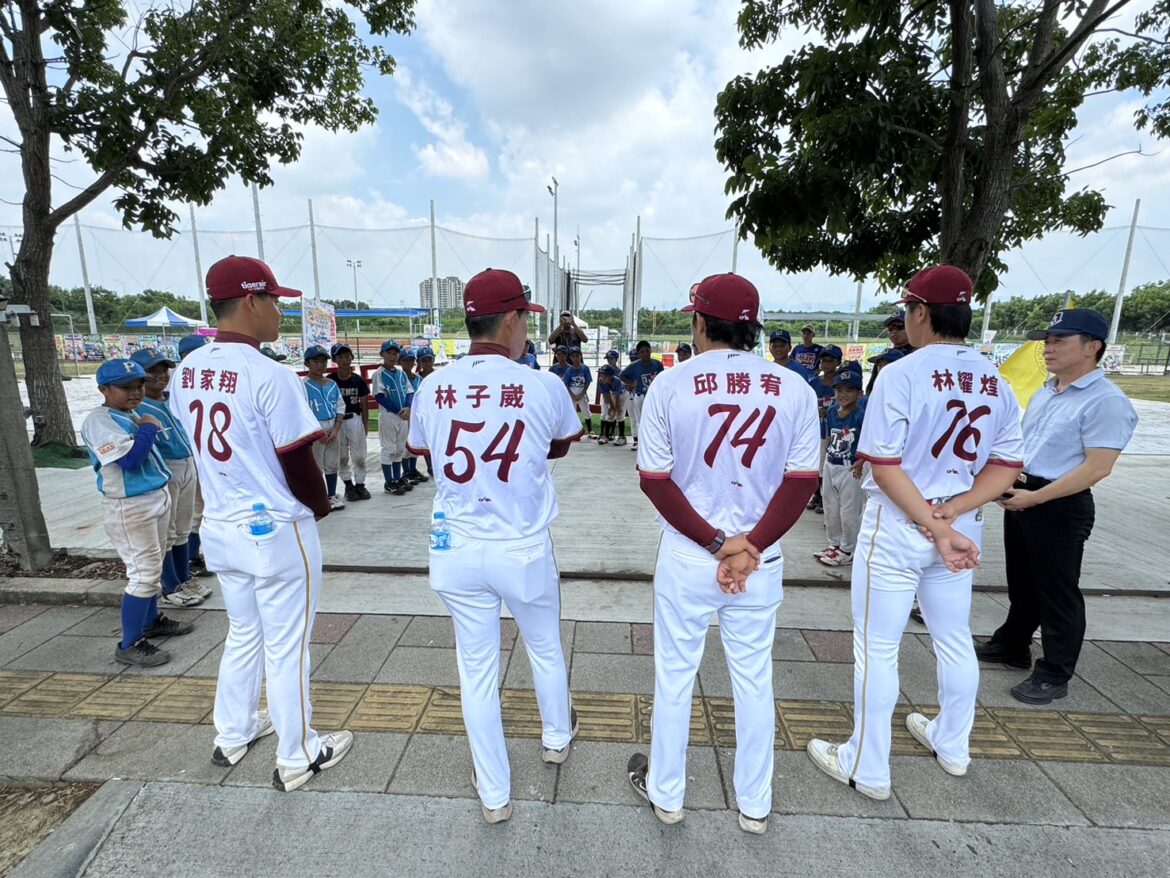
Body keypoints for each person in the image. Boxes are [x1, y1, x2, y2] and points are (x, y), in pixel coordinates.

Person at [806, 264, 1023, 801]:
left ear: (922, 312)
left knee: (878, 647)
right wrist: (951, 515)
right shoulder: (995, 378)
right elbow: (1006, 466)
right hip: (960, 526)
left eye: (907, 309)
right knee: (953, 637)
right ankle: (953, 744)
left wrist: (931, 520)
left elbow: (884, 466)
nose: (906, 318)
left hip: (902, 525)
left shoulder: (903, 373)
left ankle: (867, 764)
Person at [624, 273, 820, 833]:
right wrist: (750, 546)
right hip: (760, 556)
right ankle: (754, 805)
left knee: (675, 675)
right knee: (754, 678)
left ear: (700, 322)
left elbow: (654, 481)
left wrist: (717, 543)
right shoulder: (794, 387)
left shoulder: (671, 383)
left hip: (691, 552)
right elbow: (802, 482)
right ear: (753, 329)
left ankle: (667, 795)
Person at [169, 254, 352, 792]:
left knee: (244, 631)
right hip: (275, 528)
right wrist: (320, 508)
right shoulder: (269, 373)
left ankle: (233, 732)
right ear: (250, 301)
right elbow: (298, 460)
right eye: (274, 300)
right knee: (288, 644)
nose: (279, 310)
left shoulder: (187, 368)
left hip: (222, 524)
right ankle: (298, 754)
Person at [407, 268, 581, 824]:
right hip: (521, 545)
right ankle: (556, 738)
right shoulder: (541, 384)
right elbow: (559, 447)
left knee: (476, 669)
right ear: (511, 319)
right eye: (525, 317)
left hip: (456, 545)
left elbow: (424, 451)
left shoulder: (433, 385)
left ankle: (494, 795)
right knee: (544, 646)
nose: (527, 327)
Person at [976, 308, 1138, 704]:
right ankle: (1013, 644)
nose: (1048, 348)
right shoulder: (1048, 391)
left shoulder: (1106, 401)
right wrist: (1009, 482)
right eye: (1047, 341)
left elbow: (1097, 468)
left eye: (1059, 341)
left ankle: (1054, 671)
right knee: (1023, 581)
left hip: (1060, 505)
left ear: (1092, 347)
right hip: (1025, 494)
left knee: (1057, 591)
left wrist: (1036, 497)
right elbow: (1029, 447)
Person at [81, 358, 194, 667]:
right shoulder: (99, 420)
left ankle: (150, 621)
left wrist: (143, 424)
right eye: (125, 387)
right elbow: (129, 461)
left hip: (152, 497)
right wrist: (147, 428)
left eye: (139, 385)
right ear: (104, 389)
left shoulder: (127, 413)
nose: (135, 392)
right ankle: (129, 643)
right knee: (143, 575)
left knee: (153, 569)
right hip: (130, 505)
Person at [131, 348, 209, 607]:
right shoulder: (137, 408)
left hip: (188, 462)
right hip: (166, 468)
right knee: (168, 529)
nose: (160, 375)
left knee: (184, 525)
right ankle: (170, 584)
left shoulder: (172, 399)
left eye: (163, 370)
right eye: (152, 371)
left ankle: (184, 577)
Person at [814, 362, 867, 568]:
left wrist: (862, 460)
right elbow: (828, 436)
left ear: (859, 393)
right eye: (839, 390)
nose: (843, 394)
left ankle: (848, 549)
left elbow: (868, 440)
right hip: (832, 461)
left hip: (851, 466)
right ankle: (834, 544)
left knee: (849, 511)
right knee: (831, 508)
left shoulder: (861, 414)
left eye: (849, 390)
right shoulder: (832, 411)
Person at [178, 334, 214, 579]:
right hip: (185, 455)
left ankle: (194, 556)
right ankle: (189, 559)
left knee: (201, 509)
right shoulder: (179, 379)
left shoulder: (204, 377)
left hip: (205, 451)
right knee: (193, 511)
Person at [302, 344, 346, 511]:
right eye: (316, 361)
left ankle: (331, 494)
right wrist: (318, 433)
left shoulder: (332, 384)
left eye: (323, 361)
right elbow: (303, 412)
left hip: (333, 425)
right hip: (314, 428)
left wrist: (336, 430)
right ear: (307, 363)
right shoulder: (303, 385)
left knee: (332, 463)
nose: (320, 365)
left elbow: (340, 407)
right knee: (316, 465)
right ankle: (317, 497)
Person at [371, 340, 414, 496]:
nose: (392, 356)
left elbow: (409, 392)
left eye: (395, 353)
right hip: (389, 415)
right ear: (382, 354)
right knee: (388, 449)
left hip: (403, 416)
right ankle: (389, 482)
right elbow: (379, 397)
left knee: (399, 448)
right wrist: (399, 410)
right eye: (389, 353)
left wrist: (407, 408)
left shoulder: (401, 373)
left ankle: (397, 479)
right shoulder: (379, 374)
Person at [328, 343, 371, 502]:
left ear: (352, 358)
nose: (344, 360)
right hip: (337, 421)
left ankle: (360, 484)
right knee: (342, 456)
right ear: (334, 360)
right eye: (340, 357)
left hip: (354, 419)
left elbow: (364, 405)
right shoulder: (330, 381)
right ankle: (348, 484)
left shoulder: (358, 380)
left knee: (359, 455)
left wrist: (365, 424)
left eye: (347, 356)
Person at [806, 344, 844, 514]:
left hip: (836, 430)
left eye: (830, 360)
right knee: (818, 464)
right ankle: (817, 494)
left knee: (830, 465)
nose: (826, 364)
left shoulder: (843, 382)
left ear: (838, 362)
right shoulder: (814, 383)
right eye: (823, 360)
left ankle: (825, 496)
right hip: (818, 430)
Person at [619, 340, 664, 451]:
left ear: (651, 351)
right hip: (640, 396)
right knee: (640, 420)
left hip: (654, 396)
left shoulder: (657, 364)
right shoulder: (634, 366)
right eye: (642, 352)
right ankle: (640, 441)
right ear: (638, 354)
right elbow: (621, 375)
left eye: (647, 351)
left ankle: (653, 442)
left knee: (655, 419)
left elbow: (662, 378)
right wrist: (631, 383)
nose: (645, 354)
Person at [398, 347, 427, 485]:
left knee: (414, 442)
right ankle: (406, 471)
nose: (409, 363)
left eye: (411, 360)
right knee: (405, 444)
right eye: (405, 360)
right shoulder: (398, 378)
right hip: (404, 415)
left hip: (416, 415)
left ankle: (413, 469)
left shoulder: (419, 379)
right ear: (400, 362)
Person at [562, 346, 594, 439]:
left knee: (586, 411)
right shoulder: (569, 370)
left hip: (581, 391)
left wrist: (582, 393)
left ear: (580, 356)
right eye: (573, 356)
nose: (575, 358)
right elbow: (566, 384)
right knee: (572, 412)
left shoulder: (585, 368)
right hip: (572, 392)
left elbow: (588, 381)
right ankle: (573, 432)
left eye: (577, 356)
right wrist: (572, 395)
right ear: (570, 358)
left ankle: (590, 430)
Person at [596, 364, 627, 446]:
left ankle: (622, 437)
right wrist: (611, 407)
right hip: (612, 393)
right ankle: (605, 436)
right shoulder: (601, 381)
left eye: (605, 375)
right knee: (610, 414)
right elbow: (606, 395)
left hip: (623, 394)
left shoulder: (617, 381)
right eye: (601, 374)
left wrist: (616, 407)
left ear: (610, 376)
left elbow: (617, 396)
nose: (602, 377)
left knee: (620, 414)